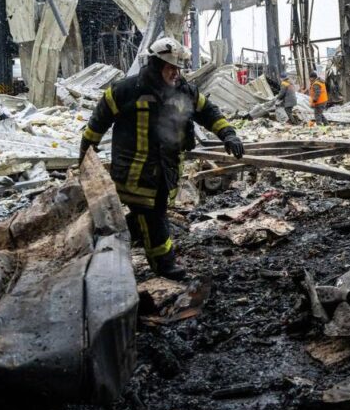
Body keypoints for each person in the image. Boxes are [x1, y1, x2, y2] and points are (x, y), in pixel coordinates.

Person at [80, 37, 244, 280]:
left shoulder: (184, 91)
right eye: (171, 68)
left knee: (145, 217)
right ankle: (164, 265)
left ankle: (105, 242)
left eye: (178, 69)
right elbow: (97, 124)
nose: (175, 74)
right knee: (154, 217)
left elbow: (208, 112)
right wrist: (85, 158)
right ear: (156, 65)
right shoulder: (126, 91)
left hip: (165, 172)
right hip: (135, 173)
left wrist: (228, 134)